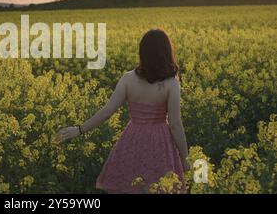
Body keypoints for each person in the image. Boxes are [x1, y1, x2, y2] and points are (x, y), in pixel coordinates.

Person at [57, 29, 190, 193]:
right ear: (167, 52)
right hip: (160, 142)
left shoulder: (128, 79)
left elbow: (107, 112)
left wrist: (79, 130)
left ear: (142, 52)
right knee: (160, 187)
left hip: (132, 138)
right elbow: (175, 124)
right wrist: (184, 157)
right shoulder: (171, 83)